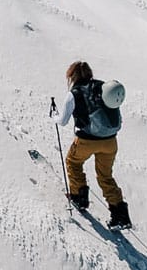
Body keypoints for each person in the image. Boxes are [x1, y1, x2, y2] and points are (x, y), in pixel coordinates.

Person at [55, 60, 131, 229]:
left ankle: (79, 197)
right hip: (110, 141)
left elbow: (63, 121)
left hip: (87, 141)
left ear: (71, 75)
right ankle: (120, 215)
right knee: (105, 176)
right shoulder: (103, 88)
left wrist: (53, 116)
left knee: (73, 162)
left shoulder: (74, 93)